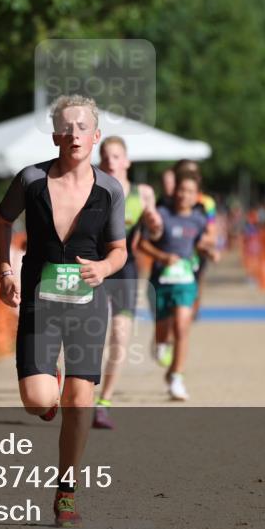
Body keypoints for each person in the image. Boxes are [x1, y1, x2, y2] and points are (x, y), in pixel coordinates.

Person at [0, 94, 126, 527]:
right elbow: (0, 221)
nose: (74, 135)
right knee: (37, 399)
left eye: (82, 127)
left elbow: (119, 250)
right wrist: (6, 272)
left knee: (80, 402)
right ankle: (51, 397)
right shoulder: (30, 180)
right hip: (39, 302)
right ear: (55, 136)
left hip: (88, 306)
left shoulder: (110, 189)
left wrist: (104, 267)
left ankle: (66, 491)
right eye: (66, 128)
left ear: (95, 136)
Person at [94, 136, 162, 430]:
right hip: (91, 266)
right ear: (99, 160)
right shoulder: (89, 187)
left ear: (127, 161)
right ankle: (68, 386)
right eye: (106, 156)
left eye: (117, 156)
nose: (111, 161)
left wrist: (155, 224)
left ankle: (103, 403)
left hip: (124, 270)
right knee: (83, 336)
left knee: (120, 337)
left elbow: (154, 233)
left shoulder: (143, 192)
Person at [141, 171, 215, 401]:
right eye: (181, 190)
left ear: (197, 196)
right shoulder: (161, 215)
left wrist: (210, 250)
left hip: (185, 281)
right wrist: (162, 256)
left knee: (183, 327)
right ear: (175, 192)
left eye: (190, 192)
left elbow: (205, 242)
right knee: (163, 332)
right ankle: (161, 342)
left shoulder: (199, 219)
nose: (185, 195)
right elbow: (142, 243)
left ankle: (176, 378)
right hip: (161, 281)